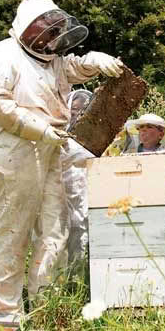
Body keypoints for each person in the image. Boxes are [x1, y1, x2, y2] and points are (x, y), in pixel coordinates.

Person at [0, 0, 123, 319]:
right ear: (28, 26)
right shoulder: (4, 53)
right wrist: (38, 129)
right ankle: (5, 317)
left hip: (50, 149)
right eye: (46, 28)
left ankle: (44, 309)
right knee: (12, 234)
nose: (50, 36)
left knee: (55, 232)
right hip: (12, 149)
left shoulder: (54, 60)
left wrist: (99, 60)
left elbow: (75, 67)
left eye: (56, 29)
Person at [104, 113, 165, 234]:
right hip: (131, 204)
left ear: (161, 134)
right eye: (141, 127)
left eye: (150, 126)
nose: (144, 130)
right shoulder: (127, 156)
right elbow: (108, 161)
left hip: (157, 205)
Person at [60, 88, 94, 283]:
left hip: (85, 191)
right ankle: (58, 282)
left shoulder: (93, 134)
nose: (78, 115)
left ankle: (78, 282)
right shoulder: (60, 134)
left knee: (81, 232)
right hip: (60, 190)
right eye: (74, 111)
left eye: (82, 111)